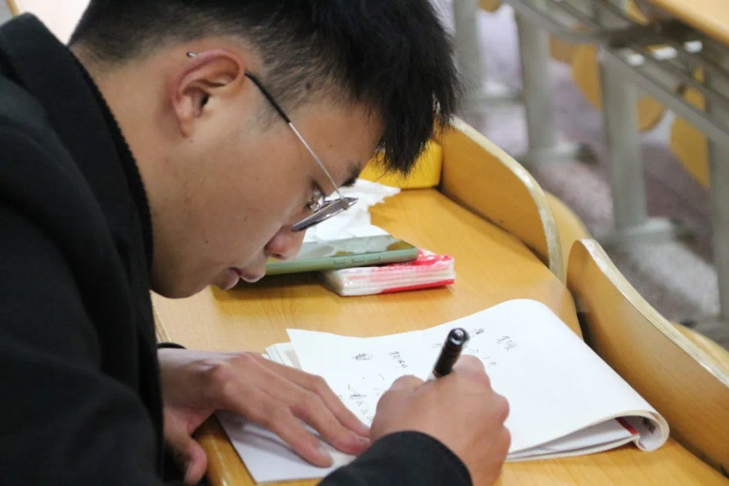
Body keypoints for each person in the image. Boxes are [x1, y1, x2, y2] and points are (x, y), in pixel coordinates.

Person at [0, 1, 510, 485]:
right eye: (314, 192)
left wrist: (132, 372)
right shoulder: (18, 207)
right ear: (203, 93)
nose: (287, 247)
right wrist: (427, 462)